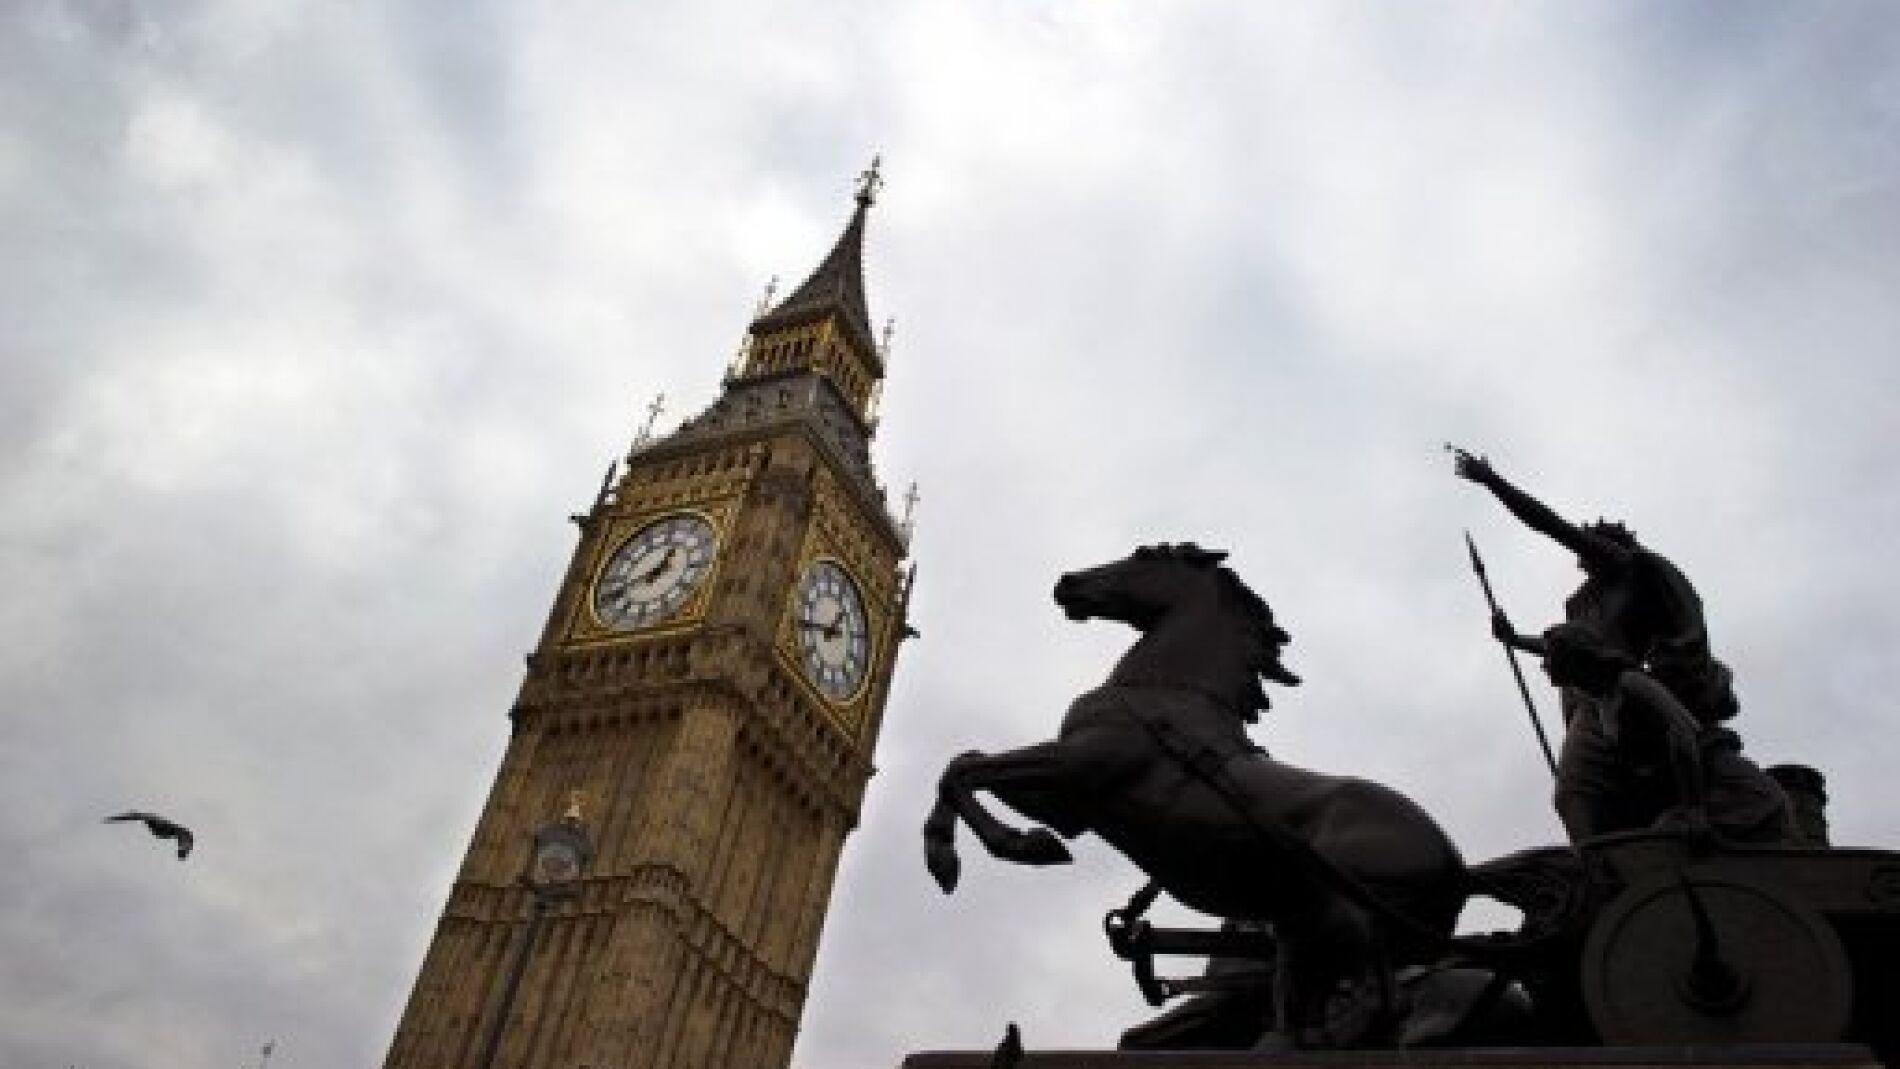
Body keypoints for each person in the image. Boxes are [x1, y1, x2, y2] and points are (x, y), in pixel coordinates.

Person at [1451, 449, 1738, 727]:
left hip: (1624, 698)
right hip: (1594, 704)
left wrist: (1493, 481)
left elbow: (1552, 525)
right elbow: (1570, 648)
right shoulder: (1589, 603)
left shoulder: (1627, 568)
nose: (1583, 549)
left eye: (1592, 542)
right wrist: (1514, 639)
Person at [1503, 620, 1792, 845]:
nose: (1543, 665)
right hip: (1684, 795)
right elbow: (1554, 646)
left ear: (1573, 661)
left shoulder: (1629, 683)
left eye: (1549, 658)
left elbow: (1683, 733)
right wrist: (1515, 639)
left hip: (1726, 789)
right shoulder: (1599, 698)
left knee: (1660, 842)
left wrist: (1693, 810)